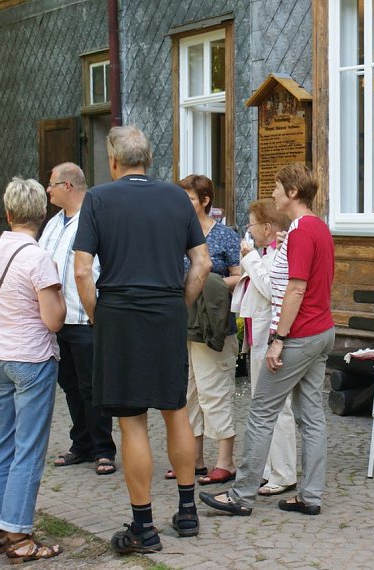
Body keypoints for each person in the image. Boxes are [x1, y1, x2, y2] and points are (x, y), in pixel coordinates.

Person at [73, 126, 212, 553]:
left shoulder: (98, 198)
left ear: (114, 161)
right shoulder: (175, 196)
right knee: (176, 410)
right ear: (148, 160)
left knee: (132, 421)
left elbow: (81, 270)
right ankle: (188, 513)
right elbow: (202, 262)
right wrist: (180, 304)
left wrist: (98, 314)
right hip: (167, 310)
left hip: (119, 311)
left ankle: (144, 527)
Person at [200, 162, 334, 517]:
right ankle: (311, 495)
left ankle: (241, 495)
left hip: (300, 334)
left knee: (261, 412)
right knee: (311, 416)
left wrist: (279, 338)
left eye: (276, 187)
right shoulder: (319, 227)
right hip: (321, 330)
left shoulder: (301, 231)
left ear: (292, 193)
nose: (273, 193)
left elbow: (295, 288)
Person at [0, 177, 67, 563]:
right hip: (32, 359)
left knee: (3, 443)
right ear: (42, 214)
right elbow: (53, 320)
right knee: (28, 449)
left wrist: (2, 325)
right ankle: (19, 535)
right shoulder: (39, 257)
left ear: (8, 213)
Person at [40, 162, 117, 476]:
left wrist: (97, 311)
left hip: (86, 317)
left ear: (67, 186)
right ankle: (81, 444)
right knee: (71, 385)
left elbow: (102, 268)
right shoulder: (53, 223)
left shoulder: (96, 219)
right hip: (58, 321)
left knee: (92, 386)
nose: (48, 190)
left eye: (52, 184)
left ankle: (103, 449)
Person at [168, 174, 241, 486]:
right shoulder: (175, 235)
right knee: (187, 394)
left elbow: (240, 275)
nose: (183, 205)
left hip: (213, 326)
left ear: (205, 201)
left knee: (215, 392)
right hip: (182, 324)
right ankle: (194, 460)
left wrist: (207, 284)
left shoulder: (225, 236)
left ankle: (226, 461)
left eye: (189, 199)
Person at [233, 198, 297, 495]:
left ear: (268, 228)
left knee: (276, 407)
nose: (250, 229)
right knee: (262, 407)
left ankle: (284, 472)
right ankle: (270, 468)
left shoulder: (276, 254)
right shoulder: (265, 253)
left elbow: (272, 289)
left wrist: (249, 259)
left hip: (269, 338)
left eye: (253, 224)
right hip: (256, 336)